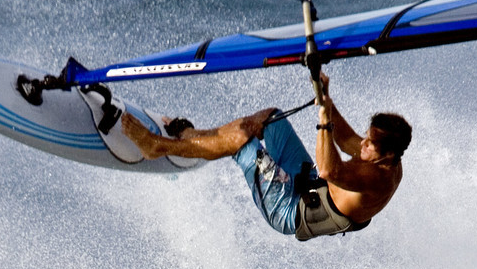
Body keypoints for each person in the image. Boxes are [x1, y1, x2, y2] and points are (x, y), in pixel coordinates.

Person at [120, 73, 411, 241]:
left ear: (387, 156)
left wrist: (324, 119)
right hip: (306, 183)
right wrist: (326, 98)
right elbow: (346, 140)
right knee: (270, 119)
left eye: (371, 144)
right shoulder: (382, 155)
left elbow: (328, 170)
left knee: (242, 143)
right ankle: (194, 138)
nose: (364, 145)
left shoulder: (376, 177)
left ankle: (157, 146)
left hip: (289, 209)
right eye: (368, 137)